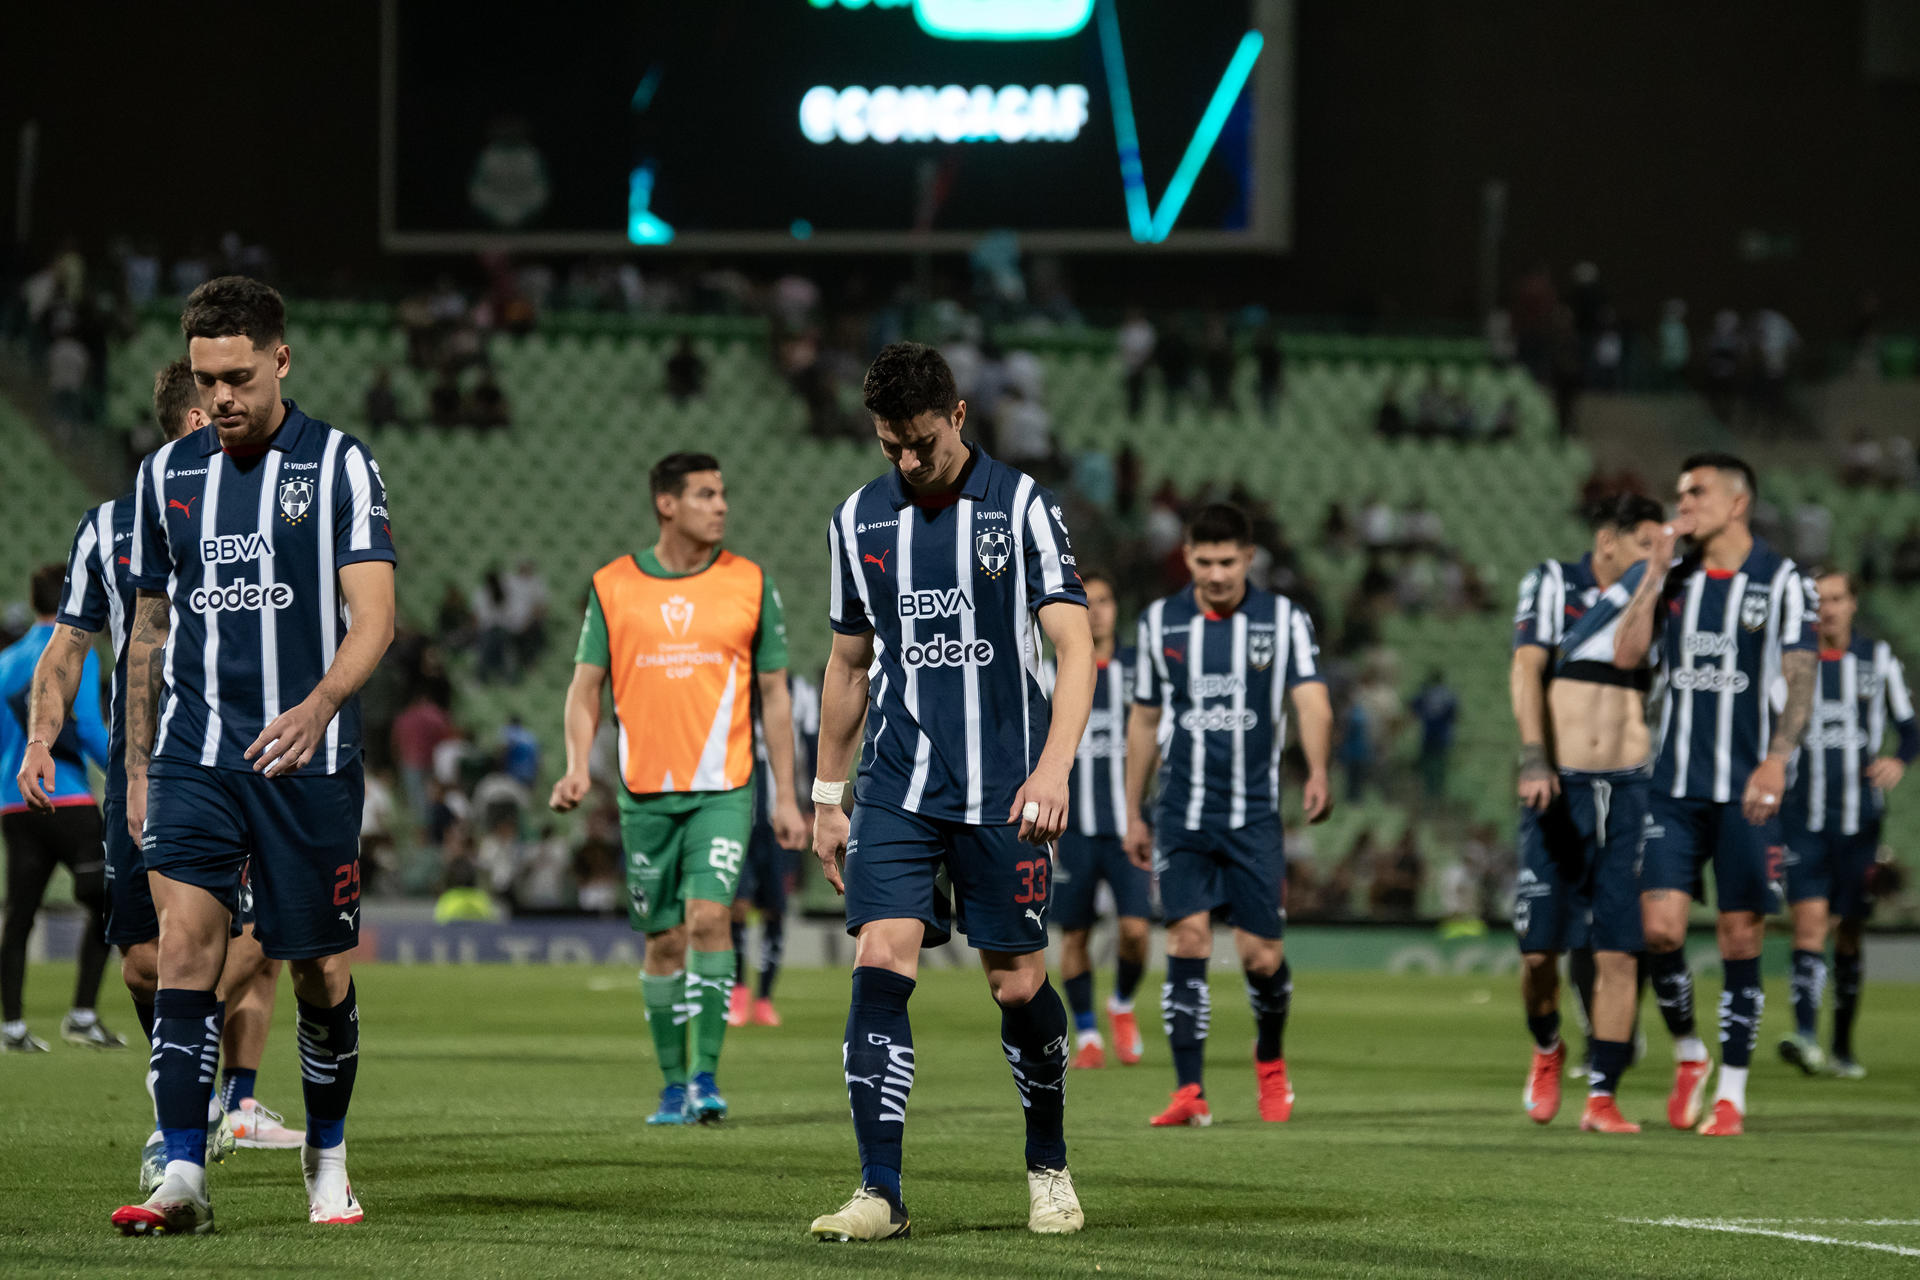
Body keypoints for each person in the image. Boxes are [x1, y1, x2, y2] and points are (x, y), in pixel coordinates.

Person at [107, 278, 396, 1232]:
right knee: (184, 946)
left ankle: (327, 1155)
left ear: (280, 359)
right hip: (194, 750)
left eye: (237, 375)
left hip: (304, 760)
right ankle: (183, 1171)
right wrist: (141, 763)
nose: (222, 396)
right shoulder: (166, 475)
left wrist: (319, 705)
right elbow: (149, 627)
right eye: (206, 378)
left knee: (317, 970)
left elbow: (375, 619)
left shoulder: (343, 467)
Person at [807, 341, 1092, 1241]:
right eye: (891, 443)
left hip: (1007, 788)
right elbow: (849, 662)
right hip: (898, 785)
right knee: (881, 959)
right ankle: (879, 1193)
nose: (906, 460)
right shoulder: (857, 520)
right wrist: (825, 792)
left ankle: (1047, 1163)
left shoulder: (1024, 509)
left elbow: (1076, 648)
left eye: (921, 441)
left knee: (1016, 986)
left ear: (958, 416)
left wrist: (1053, 767)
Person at [549, 452, 806, 1127]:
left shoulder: (751, 584)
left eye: (723, 494)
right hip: (644, 795)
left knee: (709, 920)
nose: (721, 506)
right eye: (704, 495)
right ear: (667, 504)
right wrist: (578, 764)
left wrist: (787, 795)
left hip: (724, 787)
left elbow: (776, 696)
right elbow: (584, 690)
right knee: (663, 941)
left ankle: (705, 1078)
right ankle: (670, 1084)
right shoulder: (613, 585)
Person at [1609, 453, 1817, 1137]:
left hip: (1745, 791)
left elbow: (1801, 675)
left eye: (1694, 493)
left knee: (1738, 935)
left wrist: (1777, 761)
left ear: (1736, 504)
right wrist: (1654, 573)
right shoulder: (1676, 578)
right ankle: (1690, 1053)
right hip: (1672, 787)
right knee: (1659, 928)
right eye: (1679, 494)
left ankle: (1731, 1092)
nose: (1682, 505)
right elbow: (1627, 656)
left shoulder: (1782, 580)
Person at [1123, 503, 1334, 1129]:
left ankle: (1269, 1059)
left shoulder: (1284, 619)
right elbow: (1144, 720)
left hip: (1253, 818)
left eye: (1228, 561)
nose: (1216, 573)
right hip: (1182, 815)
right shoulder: (1161, 622)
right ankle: (1190, 1090)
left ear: (1248, 558)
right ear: (1188, 557)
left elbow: (1312, 699)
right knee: (1186, 940)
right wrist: (1133, 809)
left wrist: (1318, 768)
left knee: (1260, 957)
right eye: (1205, 561)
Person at [1507, 494, 1663, 1119]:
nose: (1657, 558)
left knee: (1619, 949)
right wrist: (1532, 755)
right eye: (1644, 545)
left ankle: (1603, 1095)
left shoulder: (1656, 597)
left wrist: (1651, 583)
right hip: (1560, 785)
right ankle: (1547, 1046)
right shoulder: (1551, 583)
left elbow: (1634, 661)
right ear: (1608, 542)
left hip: (1628, 788)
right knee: (1539, 951)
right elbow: (1525, 671)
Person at [1777, 572, 1915, 1079]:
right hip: (1803, 818)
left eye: (1836, 598)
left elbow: (1910, 730)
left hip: (1860, 823)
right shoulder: (1793, 662)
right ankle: (1807, 1037)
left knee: (1850, 933)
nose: (1827, 609)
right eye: (1818, 600)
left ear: (1854, 603)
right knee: (1810, 924)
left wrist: (1899, 761)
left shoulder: (1877, 661)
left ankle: (1841, 1046)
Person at [1, 564, 116, 1053]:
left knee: (20, 915)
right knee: (110, 900)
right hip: (66, 796)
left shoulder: (6, 661)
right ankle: (83, 1014)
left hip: (13, 801)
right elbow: (87, 725)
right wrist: (127, 772)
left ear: (32, 602)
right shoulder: (76, 651)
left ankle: (13, 1027)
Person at [1054, 571, 1151, 1071]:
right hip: (1070, 830)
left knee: (1136, 930)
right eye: (1087, 601)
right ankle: (1088, 1029)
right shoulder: (1058, 670)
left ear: (1118, 606)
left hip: (1127, 827)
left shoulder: (1141, 668)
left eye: (1107, 599)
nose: (1098, 610)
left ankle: (1123, 1005)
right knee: (1074, 936)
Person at [728, 672, 820, 1028]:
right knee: (736, 906)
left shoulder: (802, 693)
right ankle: (738, 990)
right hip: (737, 817)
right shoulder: (732, 684)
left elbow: (813, 749)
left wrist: (814, 806)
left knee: (775, 910)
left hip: (783, 819)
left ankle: (764, 997)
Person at [1409, 669, 1458, 801]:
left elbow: (1413, 706)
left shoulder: (1426, 693)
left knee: (1429, 764)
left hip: (1428, 734)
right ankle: (1437, 793)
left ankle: (1429, 793)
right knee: (1440, 764)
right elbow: (1455, 716)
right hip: (1443, 735)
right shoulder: (1449, 695)